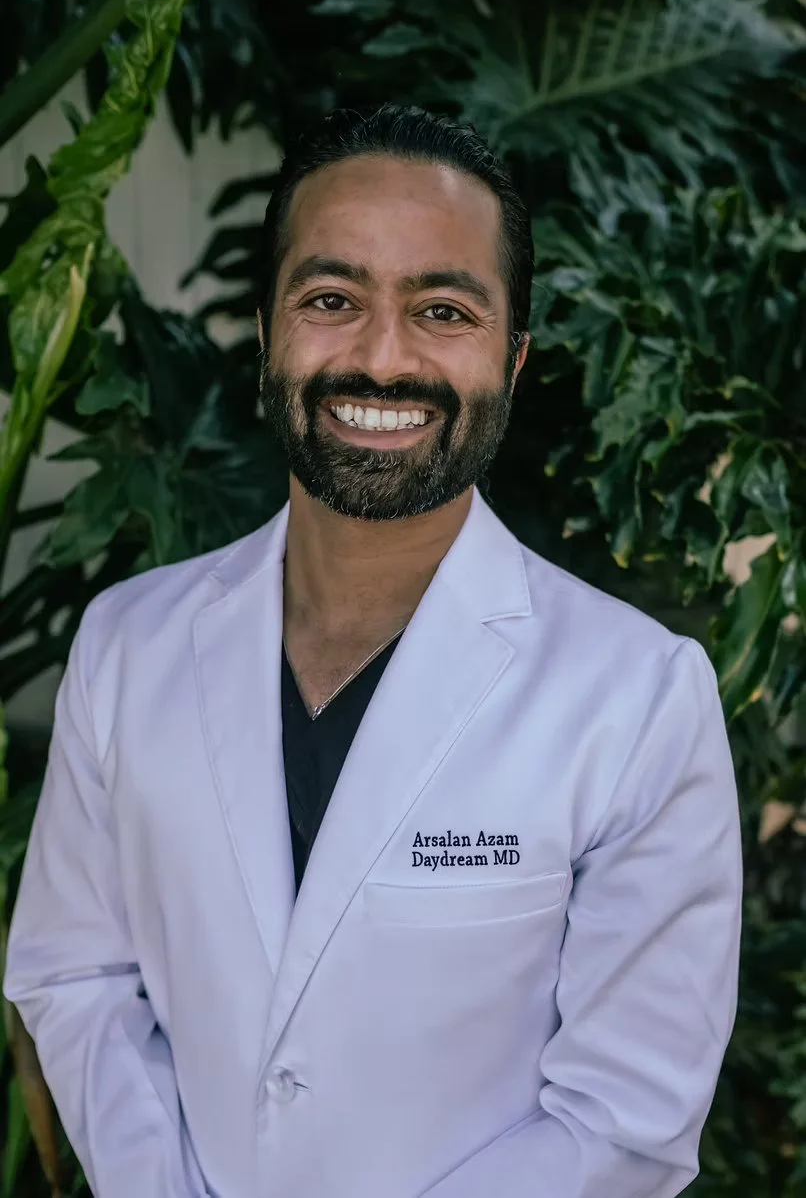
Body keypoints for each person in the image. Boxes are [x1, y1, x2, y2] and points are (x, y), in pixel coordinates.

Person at [3, 104, 742, 1198]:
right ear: (266, 332)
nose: (381, 357)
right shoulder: (128, 644)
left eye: (441, 309)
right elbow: (77, 975)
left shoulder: (633, 699)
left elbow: (623, 1121)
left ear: (514, 355)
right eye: (331, 298)